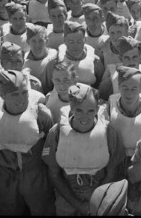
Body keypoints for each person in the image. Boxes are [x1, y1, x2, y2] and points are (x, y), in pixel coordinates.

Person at [41, 83, 125, 216]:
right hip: (67, 194)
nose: (85, 116)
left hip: (99, 191)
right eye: (79, 110)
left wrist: (95, 201)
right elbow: (54, 174)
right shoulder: (56, 133)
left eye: (91, 110)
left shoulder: (109, 133)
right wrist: (77, 204)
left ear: (97, 109)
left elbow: (111, 172)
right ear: (72, 107)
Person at [0, 69, 56, 215]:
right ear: (3, 95)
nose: (21, 98)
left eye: (24, 92)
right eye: (14, 94)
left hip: (35, 173)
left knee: (43, 211)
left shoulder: (41, 114)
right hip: (5, 174)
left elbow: (50, 143)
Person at [99, 36, 141, 105]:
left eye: (134, 57)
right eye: (127, 58)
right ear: (120, 59)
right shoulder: (109, 84)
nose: (131, 62)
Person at [0, 41, 43, 106]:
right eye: (9, 62)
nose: (14, 66)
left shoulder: (34, 85)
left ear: (23, 62)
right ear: (2, 63)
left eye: (18, 62)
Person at [23, 25, 58, 91]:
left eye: (41, 40)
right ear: (28, 42)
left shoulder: (54, 56)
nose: (37, 45)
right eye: (33, 41)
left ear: (46, 41)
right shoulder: (25, 61)